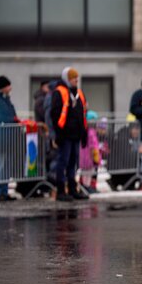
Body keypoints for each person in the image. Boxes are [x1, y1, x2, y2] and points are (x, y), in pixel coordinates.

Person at [50, 66, 89, 201]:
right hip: (65, 135)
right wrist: (58, 134)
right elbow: (54, 114)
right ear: (67, 79)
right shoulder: (59, 92)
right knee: (63, 162)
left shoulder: (79, 94)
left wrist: (84, 133)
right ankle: (61, 190)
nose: (75, 81)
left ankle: (72, 189)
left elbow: (83, 114)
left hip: (76, 134)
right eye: (73, 78)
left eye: (76, 79)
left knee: (73, 162)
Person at [78, 110, 101, 193]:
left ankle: (85, 186)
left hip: (84, 156)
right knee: (88, 172)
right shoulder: (91, 132)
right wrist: (96, 155)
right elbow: (94, 145)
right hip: (89, 156)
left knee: (86, 172)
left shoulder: (85, 131)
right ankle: (86, 186)